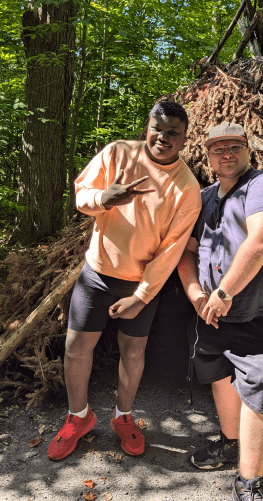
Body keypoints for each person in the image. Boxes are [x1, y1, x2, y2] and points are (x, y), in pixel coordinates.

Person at [48, 101, 201, 461]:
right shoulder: (118, 153)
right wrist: (105, 198)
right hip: (97, 272)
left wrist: (142, 295)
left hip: (139, 282)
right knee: (75, 348)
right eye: (157, 129)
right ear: (147, 127)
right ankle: (78, 417)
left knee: (133, 352)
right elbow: (82, 196)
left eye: (172, 134)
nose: (162, 138)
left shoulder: (187, 187)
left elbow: (172, 250)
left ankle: (123, 417)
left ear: (183, 140)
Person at [178, 122, 263, 501]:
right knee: (219, 375)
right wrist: (197, 293)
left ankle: (249, 483)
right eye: (218, 148)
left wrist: (224, 291)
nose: (226, 154)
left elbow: (262, 238)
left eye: (234, 147)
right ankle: (230, 442)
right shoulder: (205, 197)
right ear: (208, 155)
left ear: (249, 150)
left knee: (259, 388)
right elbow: (186, 252)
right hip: (213, 310)